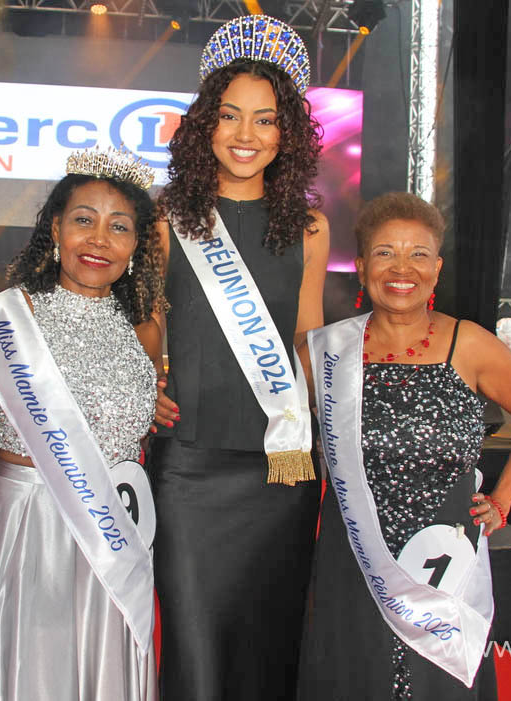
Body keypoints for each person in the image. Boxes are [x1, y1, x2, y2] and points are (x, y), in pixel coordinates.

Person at [298, 192, 511, 700]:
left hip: (446, 551)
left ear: (436, 268)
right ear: (362, 265)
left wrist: (503, 499)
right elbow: (265, 410)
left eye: (418, 254)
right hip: (354, 553)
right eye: (385, 252)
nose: (402, 268)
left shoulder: (472, 344)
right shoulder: (328, 352)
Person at [142, 14, 330, 701]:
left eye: (266, 120)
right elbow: (150, 327)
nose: (246, 136)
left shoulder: (310, 226)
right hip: (189, 463)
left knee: (270, 640)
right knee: (195, 645)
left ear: (289, 134)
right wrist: (144, 381)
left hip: (281, 469)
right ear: (204, 126)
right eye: (229, 117)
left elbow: (309, 339)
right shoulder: (167, 217)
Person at [0, 147, 165, 701]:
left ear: (136, 243)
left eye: (118, 227)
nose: (99, 240)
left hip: (115, 530)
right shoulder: (4, 319)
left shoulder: (145, 328)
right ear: (55, 228)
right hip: (27, 529)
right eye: (83, 220)